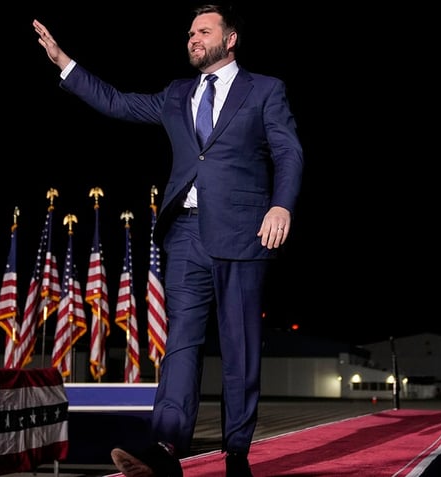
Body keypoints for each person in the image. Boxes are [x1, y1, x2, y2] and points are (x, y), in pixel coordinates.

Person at [34, 5, 303, 477]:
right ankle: (166, 447)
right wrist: (64, 63)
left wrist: (281, 205)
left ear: (231, 38)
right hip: (185, 234)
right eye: (190, 33)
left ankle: (236, 453)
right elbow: (117, 102)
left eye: (204, 31)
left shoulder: (264, 90)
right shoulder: (177, 94)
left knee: (240, 345)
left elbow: (287, 149)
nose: (193, 38)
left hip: (244, 231)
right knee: (180, 342)